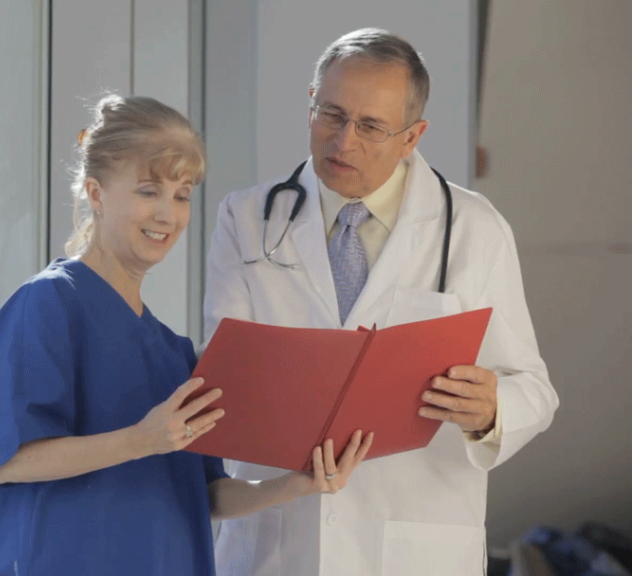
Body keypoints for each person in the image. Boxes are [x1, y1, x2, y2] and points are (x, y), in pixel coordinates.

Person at [0, 94, 374, 576]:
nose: (167, 214)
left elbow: (206, 494)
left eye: (182, 195)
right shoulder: (47, 305)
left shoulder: (171, 351)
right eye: (148, 190)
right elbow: (13, 459)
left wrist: (297, 484)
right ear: (95, 193)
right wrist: (141, 439)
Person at [205, 29, 559, 576]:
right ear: (310, 105)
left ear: (412, 136)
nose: (343, 141)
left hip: (413, 547)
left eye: (370, 126)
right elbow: (228, 376)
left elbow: (533, 388)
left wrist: (491, 411)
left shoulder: (473, 229)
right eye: (331, 114)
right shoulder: (247, 219)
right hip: (277, 546)